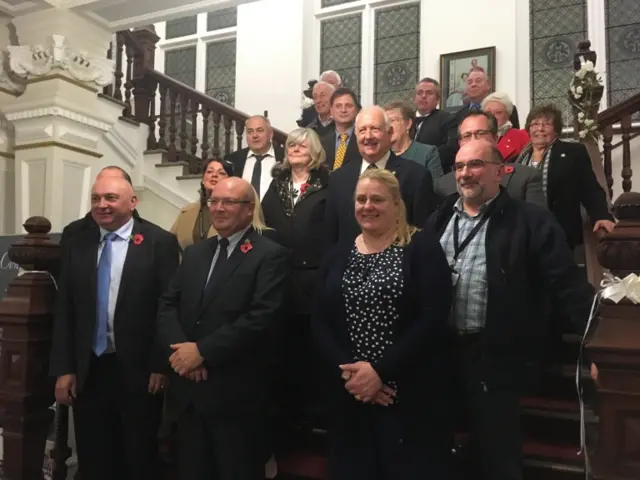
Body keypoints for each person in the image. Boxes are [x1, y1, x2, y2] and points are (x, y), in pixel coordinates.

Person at [427, 139, 596, 480]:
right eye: (459, 167)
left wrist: (594, 343)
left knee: (496, 454)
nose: (465, 174)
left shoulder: (531, 220)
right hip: (439, 354)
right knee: (436, 449)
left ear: (500, 171)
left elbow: (567, 283)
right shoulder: (440, 216)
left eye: (475, 165)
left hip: (494, 356)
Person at [312, 168, 452, 479]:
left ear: (396, 204)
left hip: (405, 393)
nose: (367, 206)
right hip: (351, 394)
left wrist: (380, 374)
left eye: (377, 199)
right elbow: (320, 319)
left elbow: (432, 317)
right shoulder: (338, 254)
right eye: (361, 199)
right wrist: (353, 375)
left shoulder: (421, 248)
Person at [156, 177, 288, 480]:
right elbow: (167, 304)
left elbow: (262, 316)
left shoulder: (269, 254)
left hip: (234, 396)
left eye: (228, 202)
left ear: (248, 209)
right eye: (214, 201)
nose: (218, 208)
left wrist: (203, 351)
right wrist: (182, 352)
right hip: (188, 393)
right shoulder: (195, 253)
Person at [50, 175, 180, 480]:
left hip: (139, 372)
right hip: (88, 370)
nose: (102, 205)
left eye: (110, 198)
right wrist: (64, 368)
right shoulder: (78, 242)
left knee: (138, 457)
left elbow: (169, 308)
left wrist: (160, 365)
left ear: (132, 203)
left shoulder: (159, 242)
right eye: (96, 199)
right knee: (94, 458)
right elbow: (65, 308)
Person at [262, 127, 330, 432]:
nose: (296, 148)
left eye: (302, 144)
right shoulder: (276, 184)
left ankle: (314, 414)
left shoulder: (327, 183)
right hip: (279, 277)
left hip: (314, 278)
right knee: (282, 349)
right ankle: (285, 414)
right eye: (291, 144)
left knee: (312, 349)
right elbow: (263, 224)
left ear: (314, 150)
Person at [325, 105, 439, 244]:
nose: (368, 136)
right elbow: (330, 238)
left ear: (389, 133)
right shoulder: (338, 179)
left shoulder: (416, 176)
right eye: (362, 130)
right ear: (355, 136)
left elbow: (424, 236)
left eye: (375, 129)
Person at [515, 103, 615, 249]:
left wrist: (601, 216)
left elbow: (590, 189)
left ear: (556, 130)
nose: (540, 129)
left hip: (559, 232)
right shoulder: (518, 159)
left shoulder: (573, 153)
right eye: (535, 124)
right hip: (524, 232)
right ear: (528, 129)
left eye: (547, 124)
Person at [434, 111, 546, 208]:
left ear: (495, 138)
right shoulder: (442, 185)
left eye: (480, 133)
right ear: (460, 143)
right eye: (467, 136)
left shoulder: (525, 177)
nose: (474, 140)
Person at [170, 158, 233, 250]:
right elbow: (170, 245)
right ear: (203, 179)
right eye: (209, 171)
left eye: (221, 173)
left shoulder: (236, 212)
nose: (214, 175)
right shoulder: (187, 212)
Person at [225, 115, 284, 201]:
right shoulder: (233, 159)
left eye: (260, 130)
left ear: (270, 134)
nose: (254, 135)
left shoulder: (285, 157)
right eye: (250, 131)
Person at [385, 99, 443, 179]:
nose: (388, 127)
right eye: (385, 123)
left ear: (408, 124)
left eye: (392, 120)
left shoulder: (427, 153)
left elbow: (436, 187)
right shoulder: (381, 155)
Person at [482, 92, 530, 162]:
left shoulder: (522, 136)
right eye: (488, 112)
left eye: (498, 112)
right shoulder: (474, 136)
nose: (492, 116)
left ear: (508, 115)